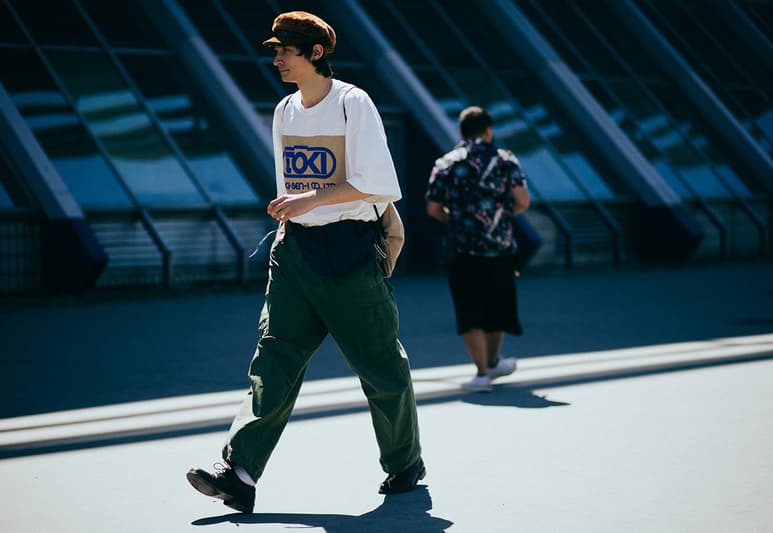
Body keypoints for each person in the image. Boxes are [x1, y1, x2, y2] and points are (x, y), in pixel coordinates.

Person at [186, 11, 424, 513]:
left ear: (316, 54)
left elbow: (378, 182)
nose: (277, 60)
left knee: (380, 368)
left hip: (350, 254)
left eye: (285, 51)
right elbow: (291, 189)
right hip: (293, 252)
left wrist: (310, 199)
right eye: (275, 51)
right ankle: (238, 472)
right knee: (272, 360)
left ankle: (404, 463)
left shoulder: (352, 103)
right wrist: (291, 216)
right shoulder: (284, 111)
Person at [425, 106, 531, 392]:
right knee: (499, 306)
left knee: (469, 309)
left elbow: (433, 208)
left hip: (462, 248)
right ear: (488, 130)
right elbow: (522, 200)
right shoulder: (505, 159)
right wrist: (500, 216)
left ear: (461, 131)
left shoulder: (446, 162)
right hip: (500, 246)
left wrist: (458, 219)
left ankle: (481, 373)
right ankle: (495, 361)